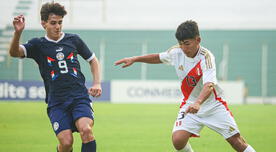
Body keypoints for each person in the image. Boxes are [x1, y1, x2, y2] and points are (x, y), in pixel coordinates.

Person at [115, 20, 256, 152]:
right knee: (178, 140)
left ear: (198, 40)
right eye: (180, 43)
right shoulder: (176, 52)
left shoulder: (206, 57)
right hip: (190, 104)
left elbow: (209, 85)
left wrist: (199, 103)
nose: (183, 48)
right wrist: (135, 59)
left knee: (236, 142)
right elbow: (158, 57)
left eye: (187, 43)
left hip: (213, 106)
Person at [9, 2, 102, 152]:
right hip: (57, 102)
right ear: (43, 23)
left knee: (86, 130)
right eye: (53, 23)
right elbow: (14, 52)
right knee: (66, 143)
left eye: (60, 22)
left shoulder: (74, 40)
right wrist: (18, 33)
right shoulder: (37, 45)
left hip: (79, 97)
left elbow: (93, 60)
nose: (57, 26)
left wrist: (97, 83)